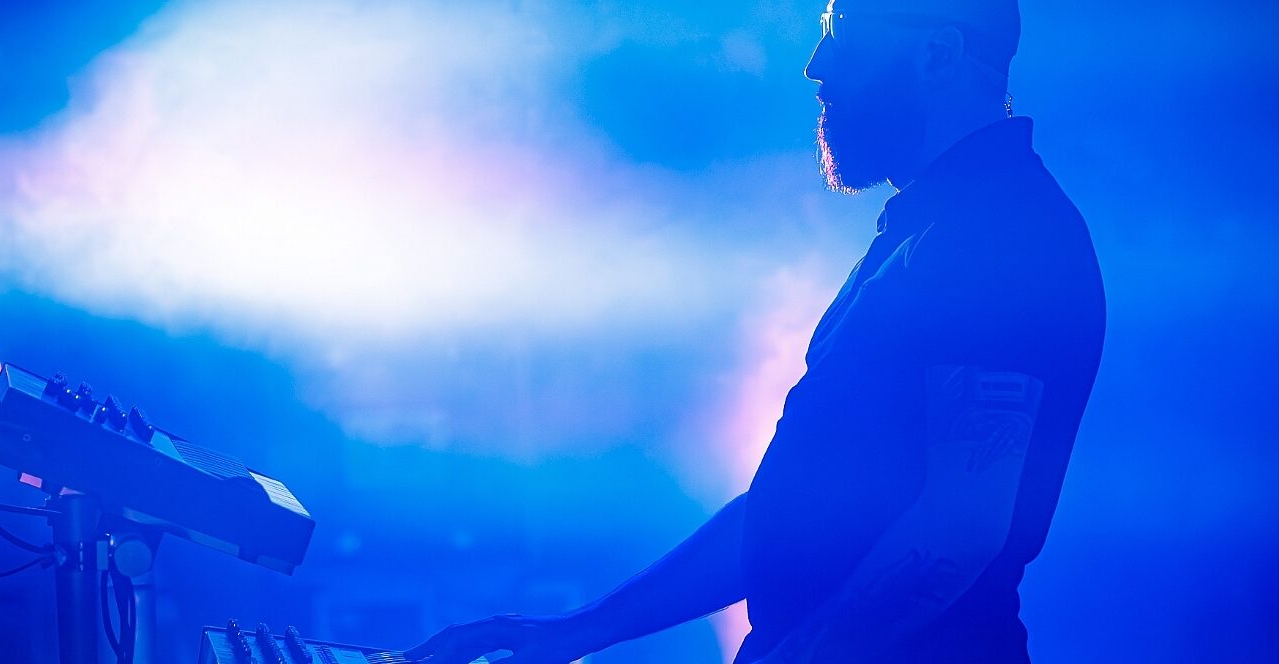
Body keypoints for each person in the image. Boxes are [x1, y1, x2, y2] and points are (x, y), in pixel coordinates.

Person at [409, 0, 1105, 661]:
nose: (816, 65)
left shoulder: (1002, 232)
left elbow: (961, 529)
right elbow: (787, 510)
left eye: (842, 31)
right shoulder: (934, 230)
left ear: (938, 53)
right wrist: (577, 633)